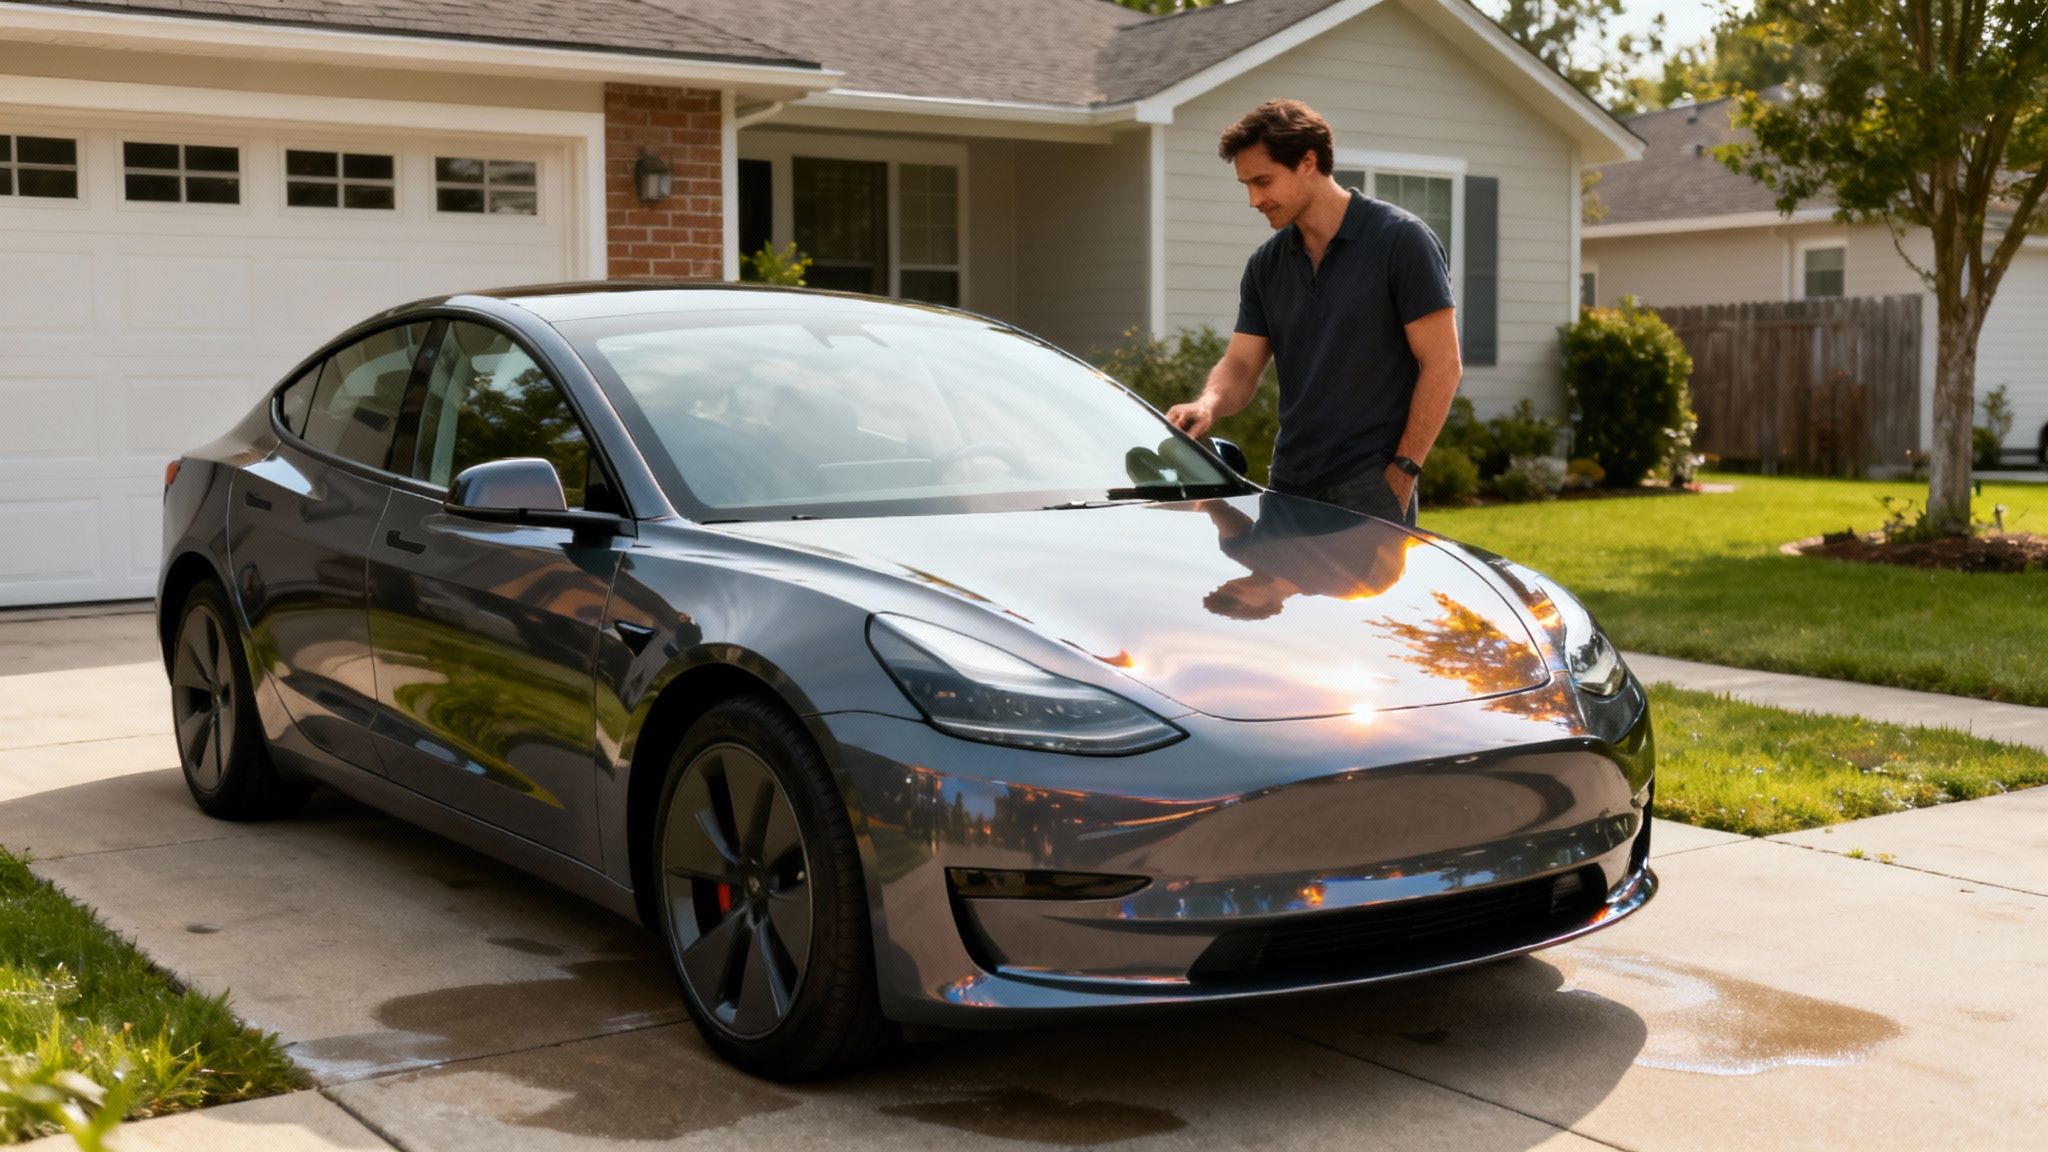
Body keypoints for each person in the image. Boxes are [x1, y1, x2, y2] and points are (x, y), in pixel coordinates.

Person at [1167, 99, 1462, 526]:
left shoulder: (1401, 242)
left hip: (1370, 486)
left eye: (1263, 181)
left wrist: (1403, 472)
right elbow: (1241, 365)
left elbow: (1443, 364)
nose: (1254, 199)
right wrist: (1207, 404)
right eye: (1246, 185)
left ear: (1308, 162)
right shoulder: (1265, 265)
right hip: (1289, 485)